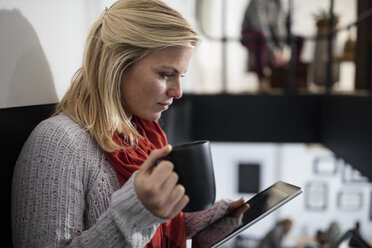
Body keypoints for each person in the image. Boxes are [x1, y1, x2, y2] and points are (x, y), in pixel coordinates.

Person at [11, 0, 248, 247]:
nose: (178, 91)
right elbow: (135, 222)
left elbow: (154, 227)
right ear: (117, 66)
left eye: (181, 75)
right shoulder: (58, 143)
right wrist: (136, 214)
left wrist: (204, 221)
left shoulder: (142, 137)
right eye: (166, 74)